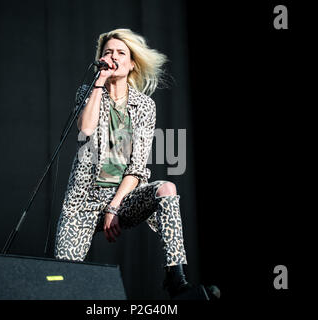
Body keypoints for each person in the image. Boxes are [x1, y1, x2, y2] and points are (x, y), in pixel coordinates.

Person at [54, 28, 218, 300]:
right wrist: (99, 83)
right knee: (63, 279)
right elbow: (85, 130)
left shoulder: (145, 106)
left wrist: (114, 206)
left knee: (167, 188)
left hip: (123, 196)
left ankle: (175, 277)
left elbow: (138, 168)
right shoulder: (87, 91)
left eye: (121, 53)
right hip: (81, 201)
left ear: (132, 63)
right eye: (107, 52)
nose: (113, 57)